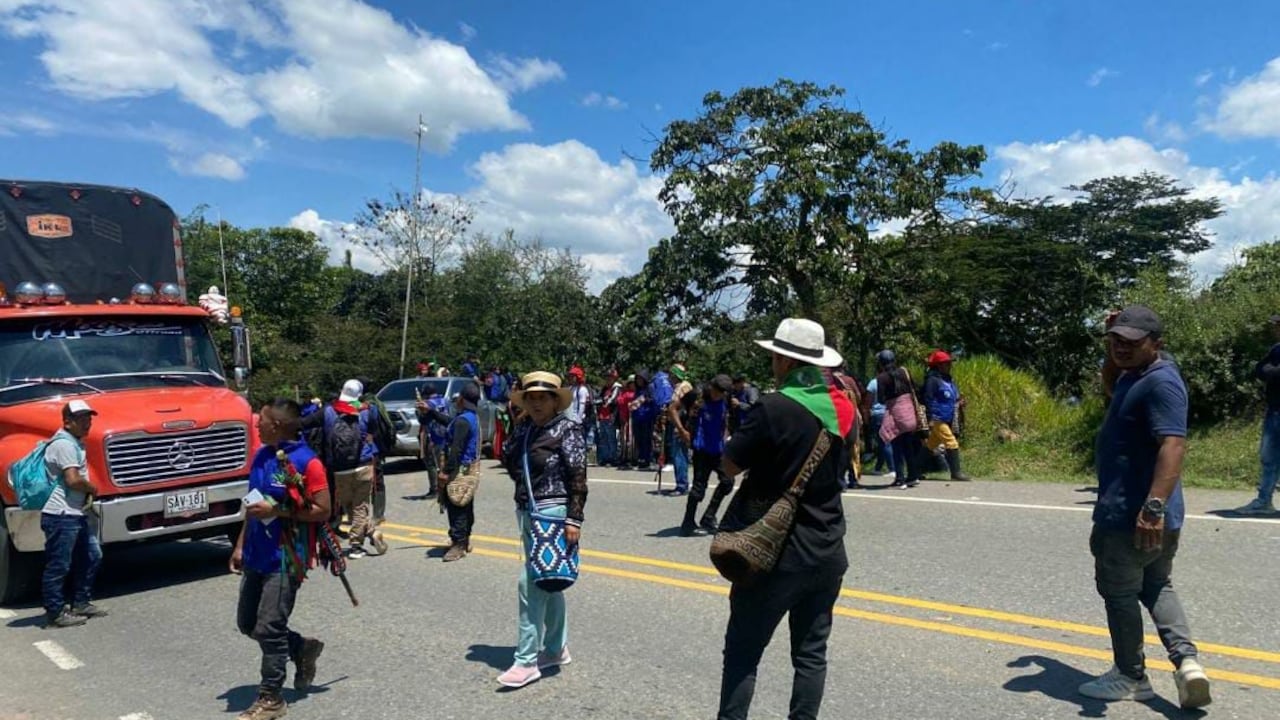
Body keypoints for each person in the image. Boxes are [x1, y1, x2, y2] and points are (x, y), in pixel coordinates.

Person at [716, 318, 853, 719]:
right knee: (811, 656)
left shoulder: (773, 407)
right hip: (827, 549)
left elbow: (729, 466)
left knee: (743, 652)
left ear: (783, 359)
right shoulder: (844, 409)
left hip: (773, 554)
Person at [1078, 305, 1211, 710]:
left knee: (1118, 592)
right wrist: (1112, 344)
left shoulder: (1161, 382)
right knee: (1156, 584)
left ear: (1157, 344)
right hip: (1146, 513)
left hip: (1133, 514)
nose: (1121, 347)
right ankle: (1187, 663)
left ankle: (1131, 675)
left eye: (1132, 341)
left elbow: (1174, 444)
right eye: (1116, 340)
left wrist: (1151, 509)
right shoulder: (1133, 375)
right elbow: (1108, 384)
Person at [231, 398, 330, 720]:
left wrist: (280, 511)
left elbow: (323, 510)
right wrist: (240, 545)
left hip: (287, 557)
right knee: (249, 624)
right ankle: (301, 647)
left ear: (277, 425)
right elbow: (253, 506)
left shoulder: (307, 463)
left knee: (270, 627)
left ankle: (271, 698)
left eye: (261, 420)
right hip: (257, 553)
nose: (256, 424)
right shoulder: (261, 456)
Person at [499, 371, 589, 689]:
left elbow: (578, 478)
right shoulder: (526, 429)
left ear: (555, 400)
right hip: (527, 510)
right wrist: (517, 423)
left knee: (530, 584)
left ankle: (526, 661)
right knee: (548, 580)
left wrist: (574, 519)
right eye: (530, 398)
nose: (536, 403)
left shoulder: (568, 430)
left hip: (553, 513)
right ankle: (555, 648)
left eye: (542, 397)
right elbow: (508, 461)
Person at [40, 400, 107, 628]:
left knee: (91, 555)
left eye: (89, 418)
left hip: (74, 513)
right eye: (81, 419)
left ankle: (80, 602)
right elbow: (73, 480)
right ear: (67, 422)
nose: (87, 423)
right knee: (58, 565)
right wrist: (92, 488)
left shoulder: (75, 443)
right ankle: (55, 613)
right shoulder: (65, 445)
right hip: (60, 515)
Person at [303, 380, 385, 558]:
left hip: (339, 468)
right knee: (360, 506)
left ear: (342, 391)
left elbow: (304, 424)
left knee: (349, 506)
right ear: (359, 394)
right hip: (363, 463)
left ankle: (368, 533)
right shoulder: (368, 410)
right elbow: (376, 433)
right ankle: (358, 544)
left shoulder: (328, 411)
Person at [1235, 314, 1280, 515]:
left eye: (1278, 325)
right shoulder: (1276, 349)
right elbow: (1260, 370)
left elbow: (1269, 371)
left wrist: (1271, 370)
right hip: (1275, 409)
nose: (1275, 328)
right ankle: (1264, 501)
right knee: (1268, 456)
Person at [680, 375, 734, 534]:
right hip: (701, 449)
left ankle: (709, 517)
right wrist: (682, 430)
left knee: (727, 482)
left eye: (723, 393)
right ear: (711, 386)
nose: (719, 395)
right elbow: (672, 408)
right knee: (698, 489)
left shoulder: (727, 399)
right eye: (717, 391)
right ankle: (688, 522)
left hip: (718, 449)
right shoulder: (696, 395)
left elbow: (728, 419)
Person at [439, 382, 483, 562]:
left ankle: (458, 544)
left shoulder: (463, 421)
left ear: (462, 400)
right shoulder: (470, 417)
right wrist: (432, 413)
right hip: (470, 468)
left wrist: (446, 472)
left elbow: (456, 449)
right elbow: (451, 422)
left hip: (460, 469)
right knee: (465, 504)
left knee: (456, 506)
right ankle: (465, 540)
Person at [874, 350, 925, 488]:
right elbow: (914, 388)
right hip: (909, 413)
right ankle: (913, 476)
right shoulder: (904, 372)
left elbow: (881, 399)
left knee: (896, 445)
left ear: (881, 363)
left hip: (896, 414)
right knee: (908, 445)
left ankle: (900, 478)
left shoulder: (881, 378)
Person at [920, 350, 971, 481]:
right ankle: (956, 473)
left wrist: (960, 402)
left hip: (947, 417)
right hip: (937, 418)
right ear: (938, 366)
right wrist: (929, 417)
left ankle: (915, 470)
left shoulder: (948, 380)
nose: (949, 366)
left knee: (930, 445)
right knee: (951, 442)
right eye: (946, 364)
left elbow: (952, 397)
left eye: (949, 363)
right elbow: (928, 399)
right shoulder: (932, 380)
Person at [413, 386, 451, 500]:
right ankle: (447, 487)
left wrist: (418, 410)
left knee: (432, 464)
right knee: (444, 463)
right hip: (445, 434)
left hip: (433, 436)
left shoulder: (428, 403)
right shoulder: (445, 400)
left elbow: (423, 420)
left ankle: (435, 489)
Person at [861, 375, 893, 476]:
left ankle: (892, 468)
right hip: (889, 412)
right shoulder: (892, 381)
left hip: (877, 414)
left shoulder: (873, 383)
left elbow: (868, 402)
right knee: (882, 442)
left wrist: (866, 415)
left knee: (884, 442)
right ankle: (878, 467)